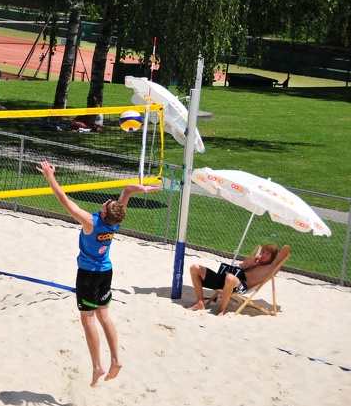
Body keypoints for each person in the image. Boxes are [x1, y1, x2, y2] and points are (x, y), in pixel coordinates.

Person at [36, 160, 162, 387]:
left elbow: (64, 201)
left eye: (107, 203)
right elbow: (127, 191)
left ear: (104, 213)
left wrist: (50, 176)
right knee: (105, 316)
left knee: (88, 319)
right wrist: (141, 188)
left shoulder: (91, 222)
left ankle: (97, 366)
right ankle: (116, 360)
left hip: (88, 275)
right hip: (106, 271)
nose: (107, 201)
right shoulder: (115, 221)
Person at [186, 243, 288, 316]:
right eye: (263, 252)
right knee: (195, 268)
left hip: (240, 285)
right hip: (226, 279)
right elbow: (240, 268)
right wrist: (251, 263)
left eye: (267, 254)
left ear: (273, 257)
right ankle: (200, 303)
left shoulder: (270, 268)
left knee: (230, 278)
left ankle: (221, 310)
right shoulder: (254, 262)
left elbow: (285, 248)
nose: (263, 255)